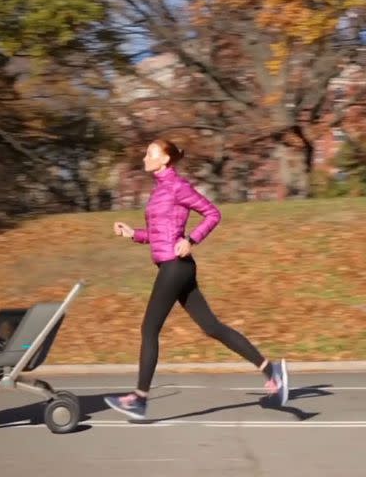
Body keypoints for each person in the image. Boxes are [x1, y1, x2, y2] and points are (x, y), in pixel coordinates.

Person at [104, 139, 289, 421]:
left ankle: (139, 399)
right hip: (174, 266)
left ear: (165, 159)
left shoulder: (178, 186)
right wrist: (133, 234)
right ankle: (269, 370)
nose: (144, 157)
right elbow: (159, 235)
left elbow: (213, 213)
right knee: (212, 327)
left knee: (149, 328)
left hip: (175, 267)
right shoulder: (159, 191)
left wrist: (192, 239)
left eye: (150, 153)